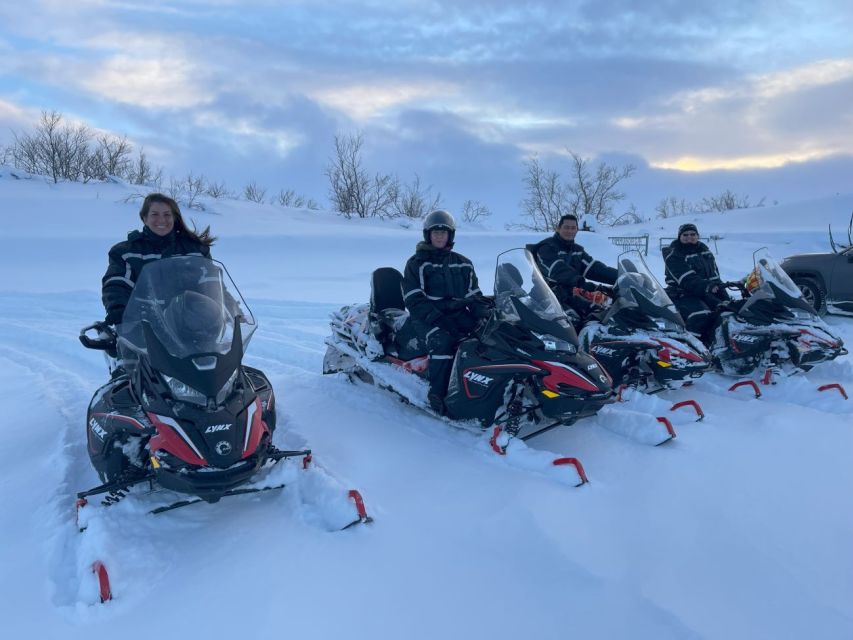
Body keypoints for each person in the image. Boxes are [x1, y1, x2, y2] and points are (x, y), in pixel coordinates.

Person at [402, 210, 490, 415]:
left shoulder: (463, 262)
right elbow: (413, 299)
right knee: (443, 341)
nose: (440, 236)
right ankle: (438, 393)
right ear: (428, 235)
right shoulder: (417, 263)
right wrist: (438, 319)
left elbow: (474, 294)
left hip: (457, 314)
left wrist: (484, 313)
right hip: (427, 317)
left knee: (486, 337)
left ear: (451, 235)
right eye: (436, 232)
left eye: (444, 232)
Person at [102, 193, 215, 326]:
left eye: (167, 214)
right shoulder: (127, 252)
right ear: (144, 218)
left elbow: (212, 284)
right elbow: (117, 283)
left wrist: (231, 312)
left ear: (174, 218)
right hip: (144, 326)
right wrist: (118, 309)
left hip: (190, 326)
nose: (161, 220)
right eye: (155, 214)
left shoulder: (195, 250)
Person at [531, 214, 617, 324]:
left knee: (599, 313)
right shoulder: (547, 247)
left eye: (573, 228)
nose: (570, 231)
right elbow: (558, 270)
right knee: (573, 322)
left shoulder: (577, 251)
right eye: (566, 227)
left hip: (568, 295)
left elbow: (595, 268)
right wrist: (583, 283)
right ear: (558, 228)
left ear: (577, 229)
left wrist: (622, 276)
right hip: (545, 297)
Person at [662, 222, 728, 342]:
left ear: (697, 236)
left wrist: (724, 295)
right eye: (685, 234)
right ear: (679, 237)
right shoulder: (673, 256)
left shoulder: (705, 251)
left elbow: (715, 276)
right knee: (701, 316)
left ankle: (720, 344)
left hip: (705, 292)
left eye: (693, 234)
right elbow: (687, 279)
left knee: (729, 311)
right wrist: (707, 286)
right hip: (683, 293)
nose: (689, 237)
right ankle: (692, 348)